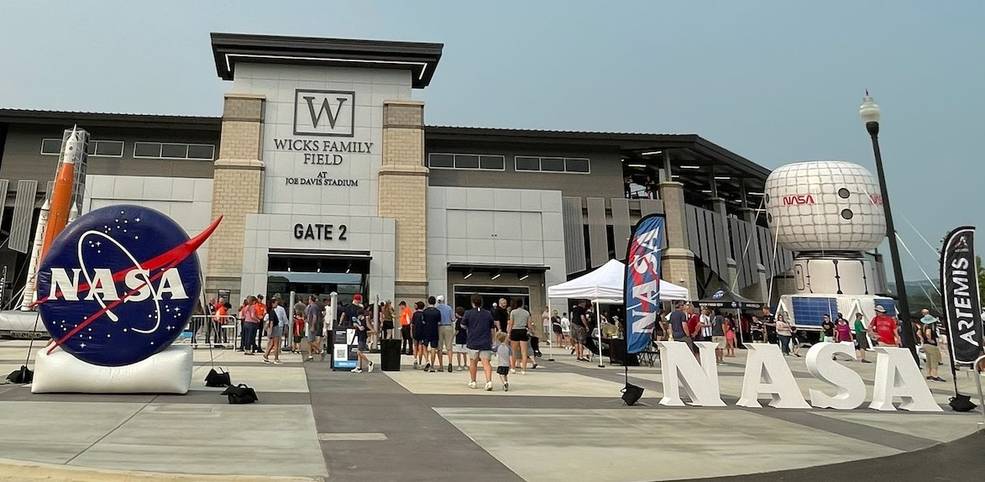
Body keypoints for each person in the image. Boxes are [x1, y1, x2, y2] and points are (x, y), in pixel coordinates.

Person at [463, 294, 496, 391]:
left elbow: (463, 325)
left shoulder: (468, 313)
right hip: (485, 341)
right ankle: (489, 381)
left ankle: (473, 381)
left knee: (473, 362)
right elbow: (492, 328)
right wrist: (493, 340)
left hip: (473, 340)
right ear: (481, 302)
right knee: (486, 363)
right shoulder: (488, 313)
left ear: (472, 302)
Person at [919, 310, 944, 382]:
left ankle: (929, 374)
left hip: (925, 344)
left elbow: (918, 333)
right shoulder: (929, 326)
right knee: (934, 360)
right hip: (931, 345)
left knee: (928, 360)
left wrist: (922, 339)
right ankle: (934, 375)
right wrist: (930, 339)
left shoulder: (922, 326)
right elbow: (928, 333)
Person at [507, 299, 531, 374]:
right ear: (522, 304)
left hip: (515, 331)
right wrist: (530, 330)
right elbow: (529, 325)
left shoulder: (513, 312)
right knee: (524, 352)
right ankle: (523, 369)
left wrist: (509, 333)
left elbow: (511, 323)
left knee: (513, 351)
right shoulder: (526, 313)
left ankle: (513, 368)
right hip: (523, 331)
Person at [351, 298, 375, 373]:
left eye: (358, 315)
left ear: (361, 315)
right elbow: (356, 326)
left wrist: (373, 330)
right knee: (359, 353)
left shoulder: (364, 320)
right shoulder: (359, 320)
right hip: (359, 336)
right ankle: (358, 367)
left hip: (362, 337)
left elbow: (362, 328)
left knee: (359, 352)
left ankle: (369, 362)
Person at [421, 297, 442, 372]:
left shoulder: (425, 311)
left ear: (428, 302)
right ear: (435, 302)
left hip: (426, 331)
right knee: (433, 348)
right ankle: (432, 366)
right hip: (434, 331)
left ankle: (427, 361)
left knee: (424, 346)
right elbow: (439, 323)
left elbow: (423, 322)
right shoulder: (437, 312)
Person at [263, 296, 286, 364]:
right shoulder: (272, 312)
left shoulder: (270, 311)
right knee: (276, 344)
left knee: (272, 344)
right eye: (276, 303)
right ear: (272, 304)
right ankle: (276, 358)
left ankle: (266, 355)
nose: (277, 305)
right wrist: (270, 330)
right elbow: (272, 322)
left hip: (274, 327)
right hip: (275, 328)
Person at [436, 295, 455, 372]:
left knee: (439, 347)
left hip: (439, 327)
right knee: (449, 346)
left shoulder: (437, 309)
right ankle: (450, 363)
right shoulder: (449, 308)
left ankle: (441, 366)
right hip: (448, 326)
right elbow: (453, 319)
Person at [304, 295, 322, 361]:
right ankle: (310, 355)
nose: (308, 300)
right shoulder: (310, 307)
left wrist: (313, 326)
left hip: (312, 325)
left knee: (309, 341)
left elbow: (315, 317)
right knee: (311, 340)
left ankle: (320, 350)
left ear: (311, 300)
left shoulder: (313, 307)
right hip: (310, 324)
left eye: (309, 299)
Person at [411, 301, 427, 369]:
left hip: (415, 331)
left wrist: (411, 332)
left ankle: (415, 360)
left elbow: (412, 324)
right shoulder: (424, 314)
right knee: (420, 347)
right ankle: (420, 362)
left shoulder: (415, 314)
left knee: (415, 346)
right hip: (422, 332)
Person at [453, 306, 468, 371]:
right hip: (465, 338)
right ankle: (465, 365)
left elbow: (457, 331)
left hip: (459, 338)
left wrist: (453, 336)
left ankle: (459, 365)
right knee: (464, 353)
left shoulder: (457, 321)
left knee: (458, 352)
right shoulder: (465, 320)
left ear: (457, 314)